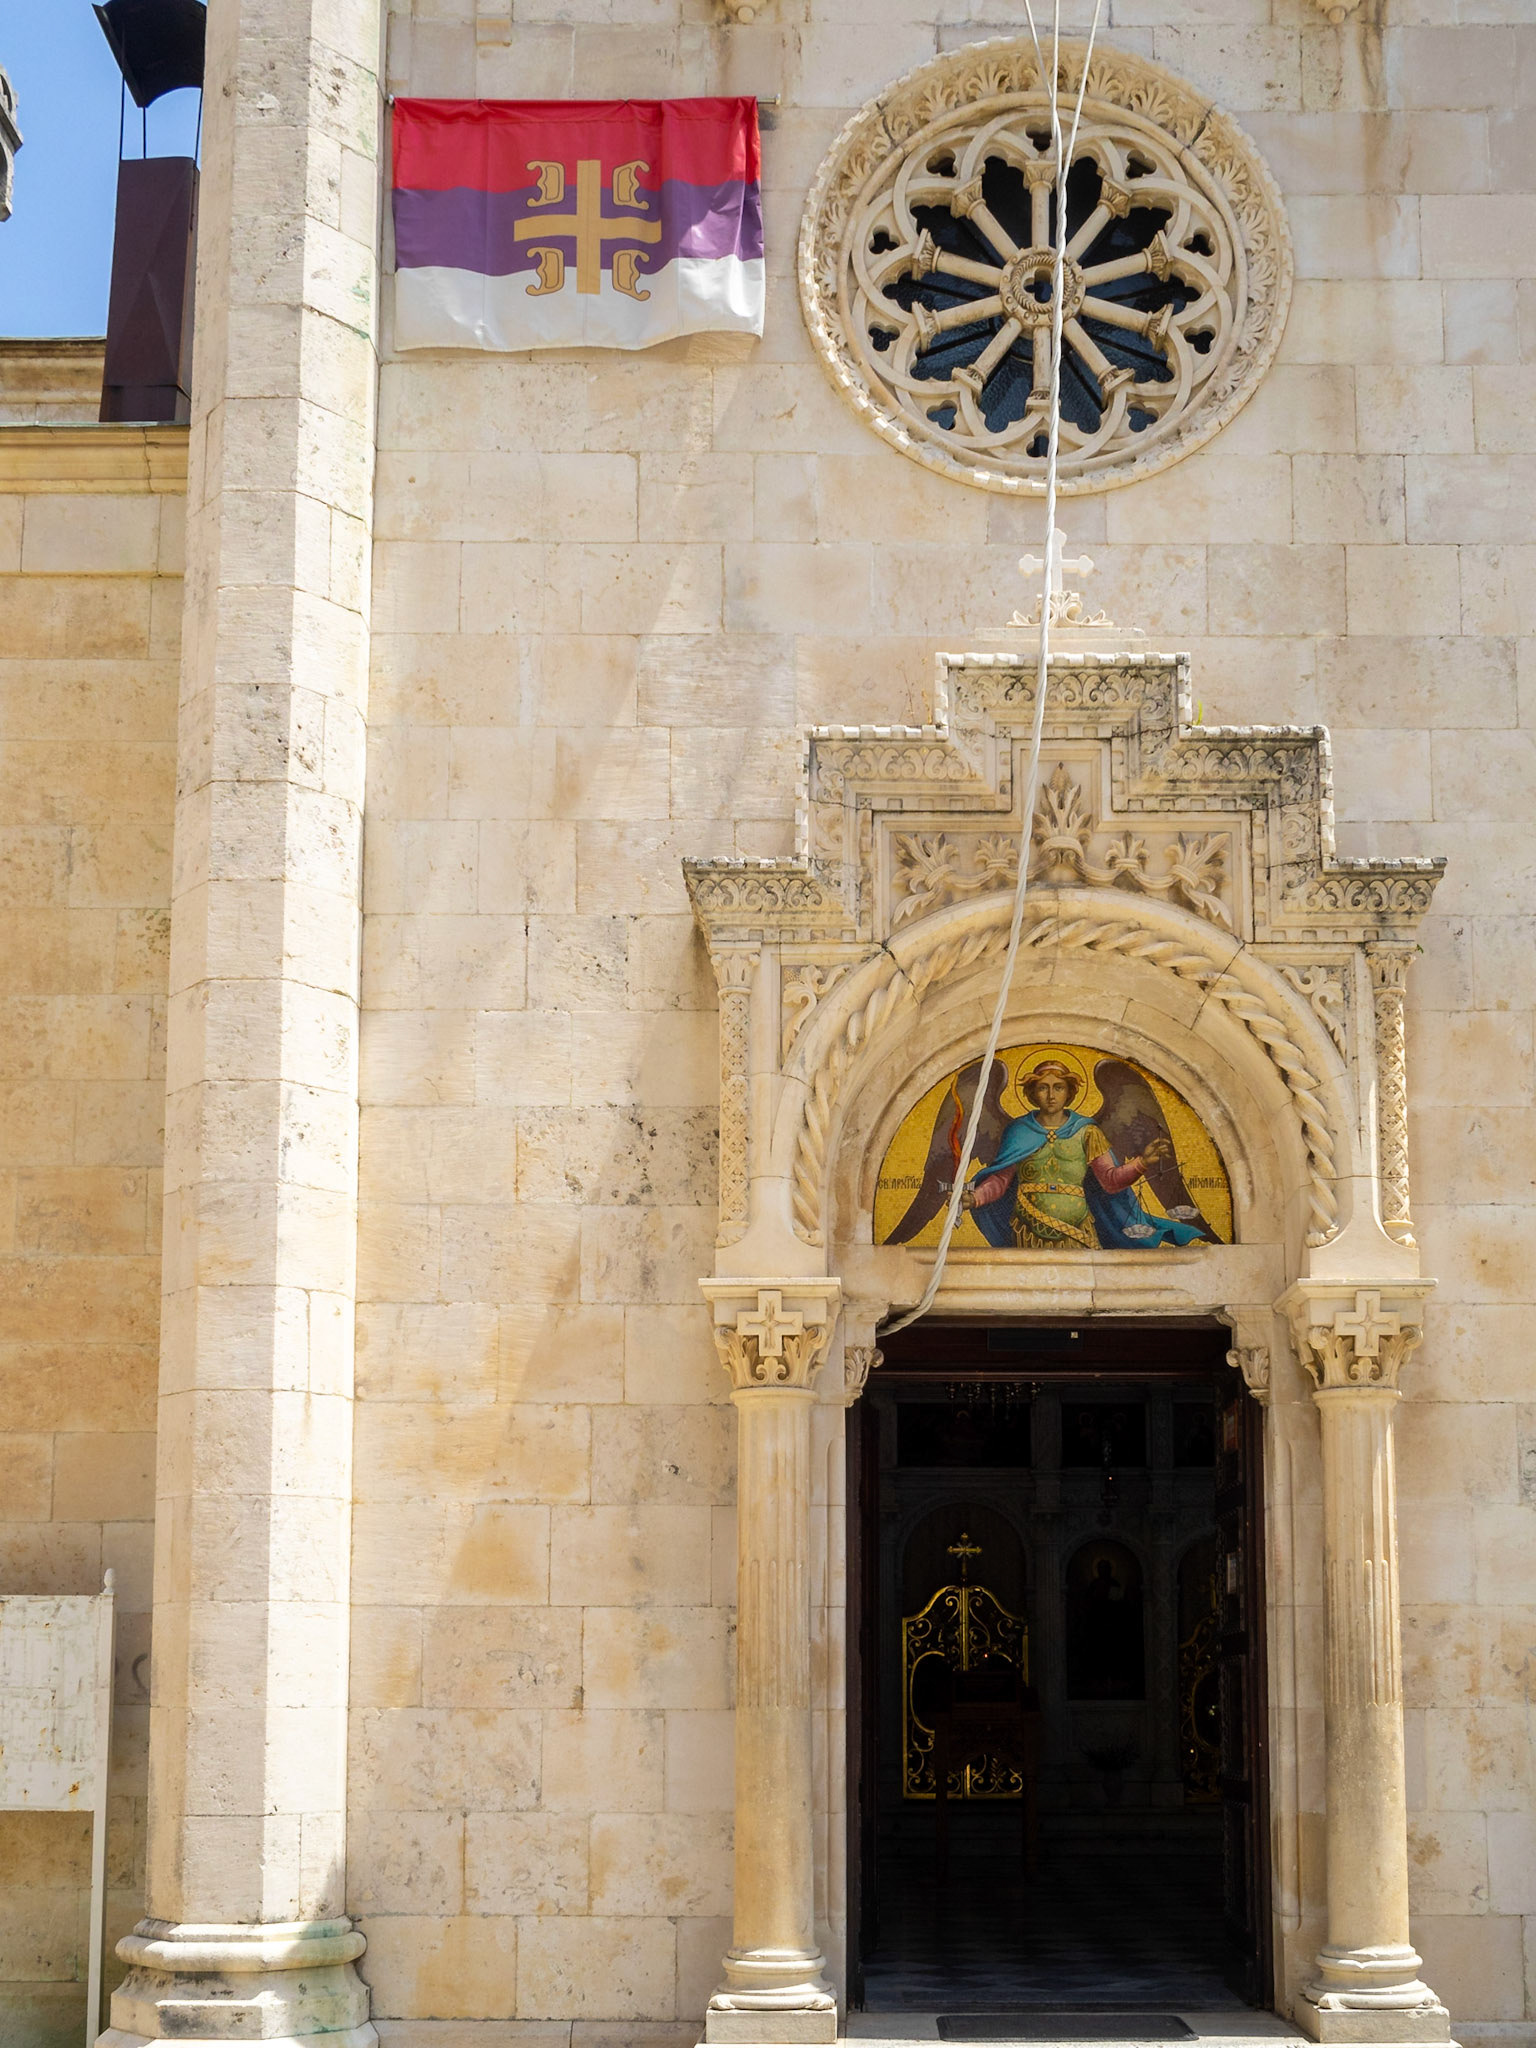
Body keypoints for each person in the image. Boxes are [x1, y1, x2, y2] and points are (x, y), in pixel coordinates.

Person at [960, 1058, 1206, 1250]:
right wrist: (976, 1198)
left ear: (1069, 1092)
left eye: (1058, 1088)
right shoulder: (1018, 1131)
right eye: (1043, 1088)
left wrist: (1143, 1162)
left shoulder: (1087, 1131)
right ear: (1033, 1093)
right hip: (1029, 1229)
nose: (1051, 1095)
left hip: (1078, 1229)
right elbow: (1000, 1180)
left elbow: (1110, 1181)